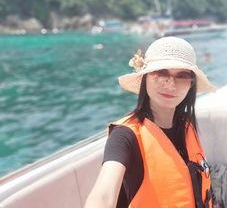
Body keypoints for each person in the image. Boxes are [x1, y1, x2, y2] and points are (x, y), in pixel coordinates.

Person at [85, 36, 216, 208]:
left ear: (191, 84)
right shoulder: (125, 136)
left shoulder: (187, 125)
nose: (170, 84)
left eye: (182, 76)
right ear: (145, 77)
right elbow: (103, 196)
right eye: (161, 73)